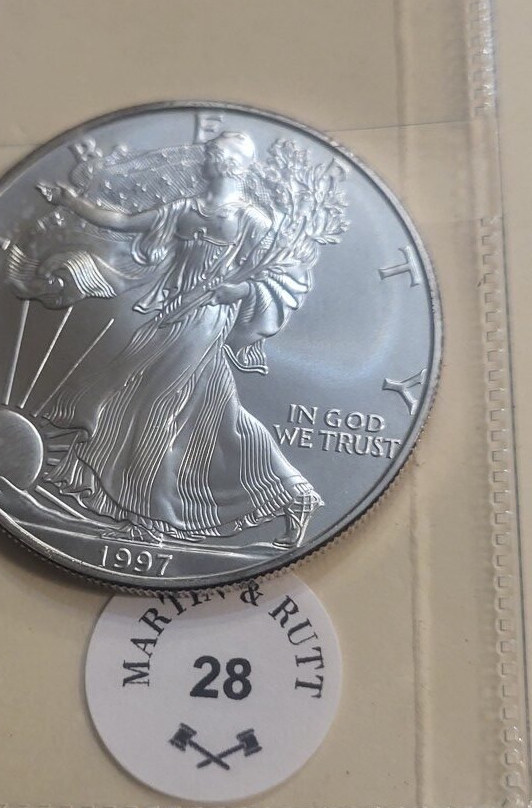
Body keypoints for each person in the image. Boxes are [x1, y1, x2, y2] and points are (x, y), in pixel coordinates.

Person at [36, 131, 322, 548]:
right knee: (218, 418)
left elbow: (288, 276)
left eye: (217, 153)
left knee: (153, 407)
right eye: (212, 152)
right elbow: (122, 221)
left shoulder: (253, 221)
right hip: (171, 316)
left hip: (206, 319)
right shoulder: (184, 208)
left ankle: (150, 518)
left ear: (234, 164)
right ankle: (293, 494)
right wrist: (71, 202)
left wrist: (240, 290)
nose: (209, 158)